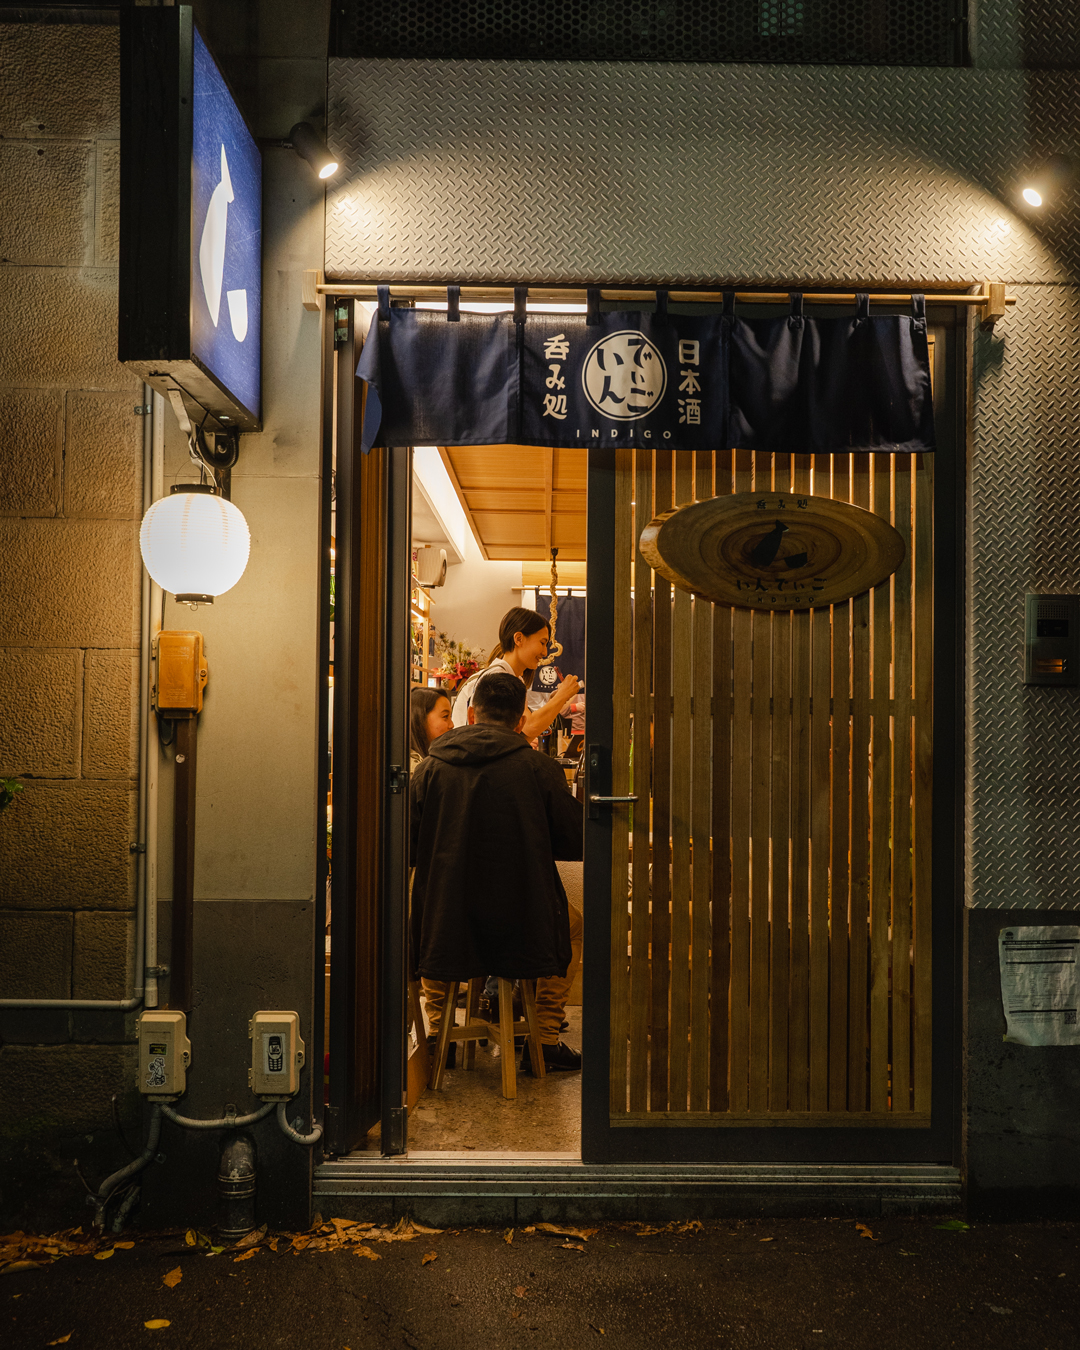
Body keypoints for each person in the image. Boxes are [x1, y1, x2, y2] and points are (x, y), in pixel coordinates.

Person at [411, 671, 584, 1072]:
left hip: (450, 921)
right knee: (573, 926)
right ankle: (543, 1039)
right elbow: (572, 841)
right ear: (521, 721)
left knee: (432, 917)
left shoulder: (431, 768)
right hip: (521, 922)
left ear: (470, 714)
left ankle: (439, 1036)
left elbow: (411, 844)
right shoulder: (540, 769)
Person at [451, 607, 580, 742]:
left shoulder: (513, 678)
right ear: (519, 639)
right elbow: (531, 726)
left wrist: (556, 702)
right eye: (542, 643)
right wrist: (562, 695)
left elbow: (521, 737)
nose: (545, 652)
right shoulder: (497, 676)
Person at [410, 687, 453, 771]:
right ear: (421, 719)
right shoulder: (414, 770)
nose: (452, 725)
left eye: (450, 717)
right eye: (445, 716)